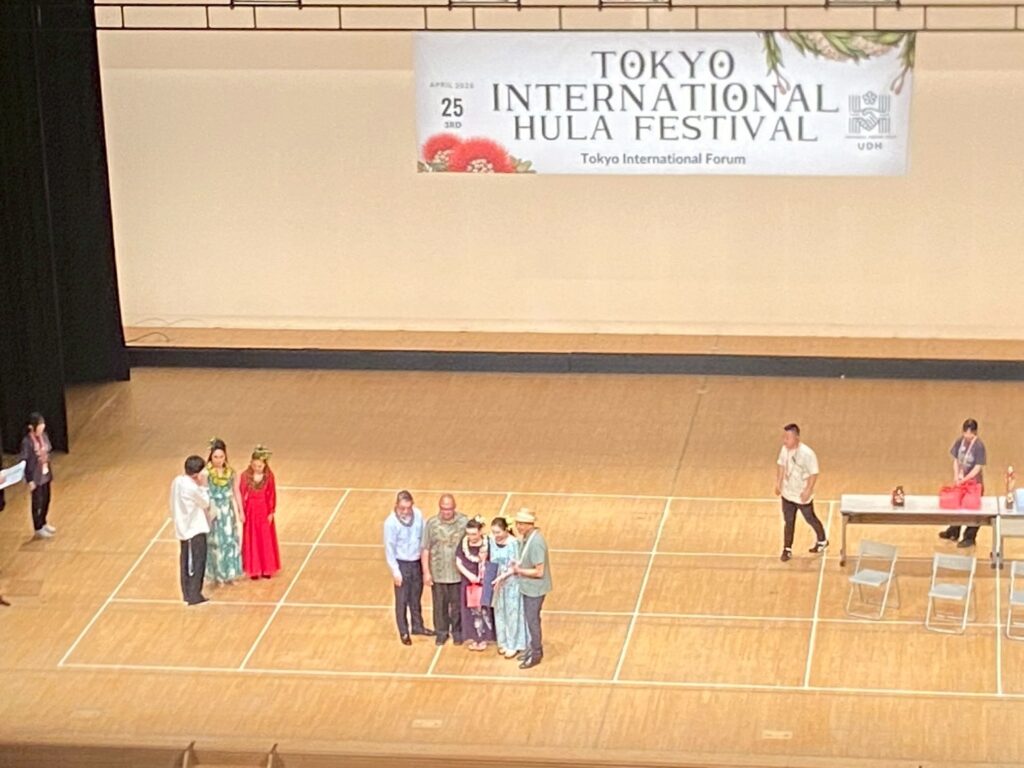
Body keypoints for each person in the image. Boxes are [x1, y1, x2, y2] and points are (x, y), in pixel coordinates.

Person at [384, 490, 432, 645]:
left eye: (408, 507)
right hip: (402, 563)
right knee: (402, 600)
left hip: (416, 562)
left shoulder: (418, 514)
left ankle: (418, 626)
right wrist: (395, 572)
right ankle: (403, 631)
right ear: (396, 505)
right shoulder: (390, 523)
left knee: (415, 597)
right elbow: (389, 549)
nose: (406, 511)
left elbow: (424, 537)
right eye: (402, 508)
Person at [774, 423, 827, 562]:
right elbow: (781, 465)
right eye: (784, 437)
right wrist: (778, 483)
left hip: (801, 495)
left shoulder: (807, 454)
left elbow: (813, 473)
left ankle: (822, 540)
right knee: (788, 521)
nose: (785, 440)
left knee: (810, 518)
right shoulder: (784, 450)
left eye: (788, 438)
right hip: (787, 493)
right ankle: (787, 549)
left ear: (796, 438)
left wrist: (808, 490)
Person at [422, 493, 467, 647]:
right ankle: (441, 632)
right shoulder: (432, 524)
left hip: (457, 573)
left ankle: (458, 632)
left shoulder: (464, 522)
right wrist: (426, 572)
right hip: (438, 572)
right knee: (439, 606)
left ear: (454, 507)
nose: (446, 512)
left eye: (449, 508)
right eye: (443, 508)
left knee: (457, 606)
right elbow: (426, 549)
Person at [512, 508, 551, 669]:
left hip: (535, 590)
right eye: (517, 523)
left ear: (530, 524)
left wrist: (519, 571)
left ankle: (536, 653)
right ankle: (531, 647)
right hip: (528, 587)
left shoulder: (536, 543)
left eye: (522, 524)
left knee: (532, 620)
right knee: (530, 620)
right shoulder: (527, 538)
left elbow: (539, 571)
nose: (519, 527)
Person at [939, 418, 987, 548]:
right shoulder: (960, 441)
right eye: (965, 432)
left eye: (970, 433)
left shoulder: (979, 446)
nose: (967, 436)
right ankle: (953, 530)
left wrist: (965, 479)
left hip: (973, 483)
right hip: (960, 480)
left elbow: (978, 467)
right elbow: (956, 460)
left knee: (973, 510)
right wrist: (956, 476)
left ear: (975, 433)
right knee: (957, 505)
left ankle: (970, 537)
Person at [171, 455, 212, 606]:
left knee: (187, 561)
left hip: (185, 528)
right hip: (192, 530)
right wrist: (203, 486)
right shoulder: (192, 488)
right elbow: (205, 502)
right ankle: (193, 595)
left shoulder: (178, 481)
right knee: (195, 563)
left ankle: (188, 593)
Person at [204, 439, 244, 585]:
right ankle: (217, 575)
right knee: (216, 542)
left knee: (229, 540)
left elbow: (236, 492)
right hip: (213, 509)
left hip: (227, 510)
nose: (219, 460)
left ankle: (230, 574)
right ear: (211, 457)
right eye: (216, 457)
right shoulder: (206, 473)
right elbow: (203, 493)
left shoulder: (231, 473)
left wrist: (240, 510)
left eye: (221, 457)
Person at [240, 445, 281, 579]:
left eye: (260, 466)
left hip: (264, 510)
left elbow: (271, 494)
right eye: (255, 465)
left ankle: (267, 568)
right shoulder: (245, 476)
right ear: (251, 463)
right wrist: (242, 511)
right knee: (252, 538)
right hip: (251, 510)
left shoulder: (269, 476)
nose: (257, 468)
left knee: (265, 538)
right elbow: (242, 493)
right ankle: (254, 569)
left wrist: (271, 511)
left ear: (264, 465)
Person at [456, 517, 496, 651]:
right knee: (471, 611)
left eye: (474, 534)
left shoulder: (488, 543)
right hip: (469, 582)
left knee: (484, 610)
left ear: (480, 532)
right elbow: (458, 561)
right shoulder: (463, 543)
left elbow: (493, 562)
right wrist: (469, 576)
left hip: (484, 581)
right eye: (468, 534)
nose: (471, 537)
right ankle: (474, 637)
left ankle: (484, 637)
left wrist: (483, 574)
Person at [490, 516, 527, 660]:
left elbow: (515, 566)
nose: (496, 535)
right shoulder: (492, 541)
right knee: (500, 612)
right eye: (493, 532)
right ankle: (503, 641)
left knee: (512, 613)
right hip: (498, 584)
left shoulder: (514, 543)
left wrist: (502, 577)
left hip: (512, 583)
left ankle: (514, 643)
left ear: (506, 530)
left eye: (498, 532)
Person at [21, 413, 56, 539]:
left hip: (45, 474)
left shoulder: (44, 436)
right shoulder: (27, 442)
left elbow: (48, 450)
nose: (42, 429)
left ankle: (43, 522)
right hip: (35, 478)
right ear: (32, 427)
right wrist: (29, 480)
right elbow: (24, 462)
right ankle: (38, 527)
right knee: (37, 503)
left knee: (46, 499)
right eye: (40, 426)